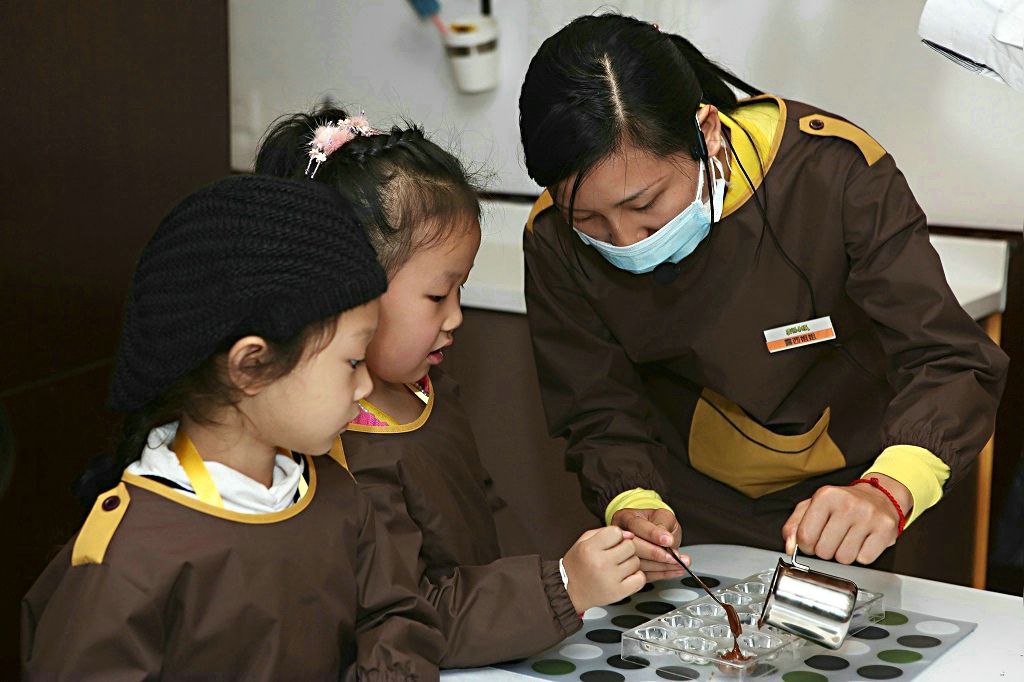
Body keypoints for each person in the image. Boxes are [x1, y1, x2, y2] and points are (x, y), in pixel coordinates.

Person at [517, 13, 1009, 574]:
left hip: (852, 492)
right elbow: (596, 407)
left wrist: (889, 490)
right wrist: (633, 502)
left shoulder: (833, 174)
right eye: (593, 222)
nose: (627, 242)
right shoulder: (553, 237)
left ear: (707, 134)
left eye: (646, 207)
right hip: (685, 507)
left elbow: (948, 361)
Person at [255, 106, 647, 667]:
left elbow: (483, 517)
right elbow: (408, 617)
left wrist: (563, 580)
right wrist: (562, 586)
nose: (457, 317)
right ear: (348, 290)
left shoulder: (425, 391)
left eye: (461, 290)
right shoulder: (337, 445)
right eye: (438, 296)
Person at [21, 175, 446, 679]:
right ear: (250, 366)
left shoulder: (334, 495)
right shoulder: (129, 558)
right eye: (352, 360)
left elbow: (396, 615)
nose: (364, 386)